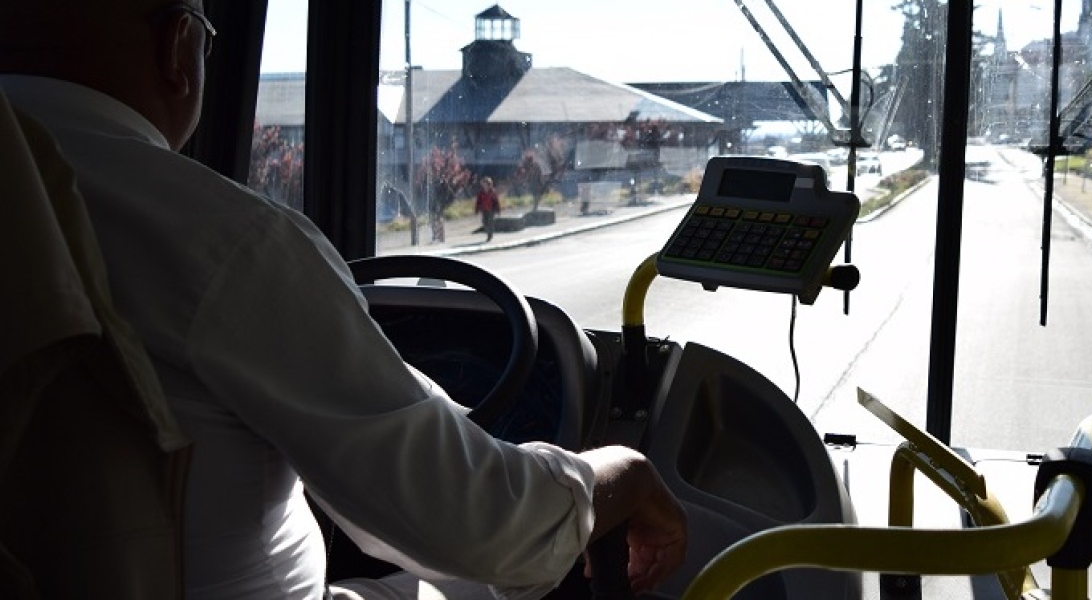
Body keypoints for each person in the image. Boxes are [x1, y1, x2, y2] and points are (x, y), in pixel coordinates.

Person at [0, 2, 686, 599]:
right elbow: (467, 520)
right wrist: (619, 474)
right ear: (180, 47)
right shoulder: (220, 238)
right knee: (485, 577)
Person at [475, 176, 501, 242]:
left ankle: (490, 235)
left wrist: (498, 210)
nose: (484, 185)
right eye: (483, 184)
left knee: (490, 222)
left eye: (485, 183)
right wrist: (477, 209)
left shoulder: (492, 192)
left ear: (489, 184)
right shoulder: (481, 193)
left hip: (491, 209)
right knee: (484, 222)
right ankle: (488, 232)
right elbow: (478, 201)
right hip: (484, 209)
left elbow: (496, 201)